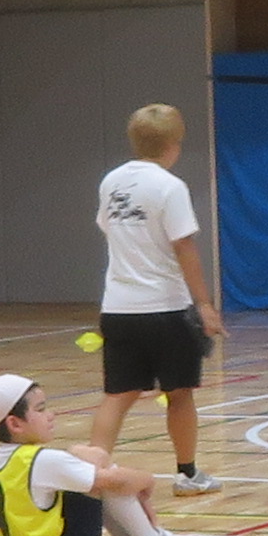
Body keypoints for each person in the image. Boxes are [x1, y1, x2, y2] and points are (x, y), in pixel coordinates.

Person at [0, 373, 240, 536]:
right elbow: (116, 481)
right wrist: (147, 479)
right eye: (41, 409)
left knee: (85, 461)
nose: (51, 415)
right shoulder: (40, 460)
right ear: (15, 424)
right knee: (98, 471)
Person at [86, 103, 223, 487]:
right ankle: (187, 474)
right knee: (180, 395)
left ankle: (91, 475)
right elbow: (184, 246)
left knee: (117, 395)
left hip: (118, 309)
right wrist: (204, 304)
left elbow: (108, 227)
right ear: (174, 144)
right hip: (166, 309)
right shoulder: (170, 187)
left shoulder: (111, 182)